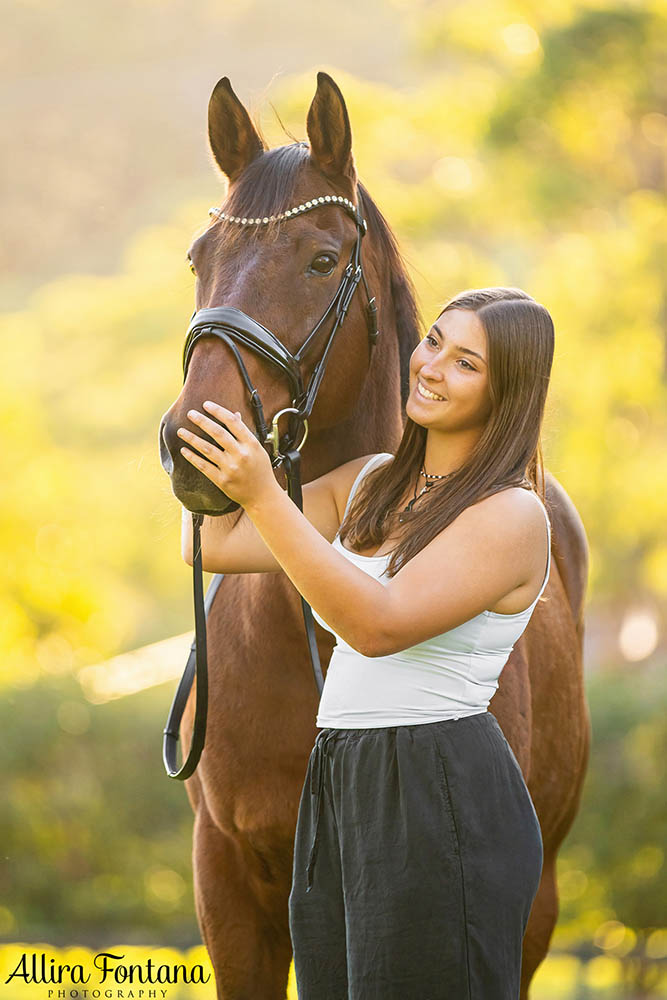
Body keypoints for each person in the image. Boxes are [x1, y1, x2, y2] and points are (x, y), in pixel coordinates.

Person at [178, 286, 553, 1000]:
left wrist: (263, 492)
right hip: (342, 772)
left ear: (507, 392)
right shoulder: (370, 484)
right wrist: (205, 437)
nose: (432, 366)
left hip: (436, 782)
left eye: (464, 361)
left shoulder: (510, 514)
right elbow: (215, 544)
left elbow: (376, 627)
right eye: (433, 340)